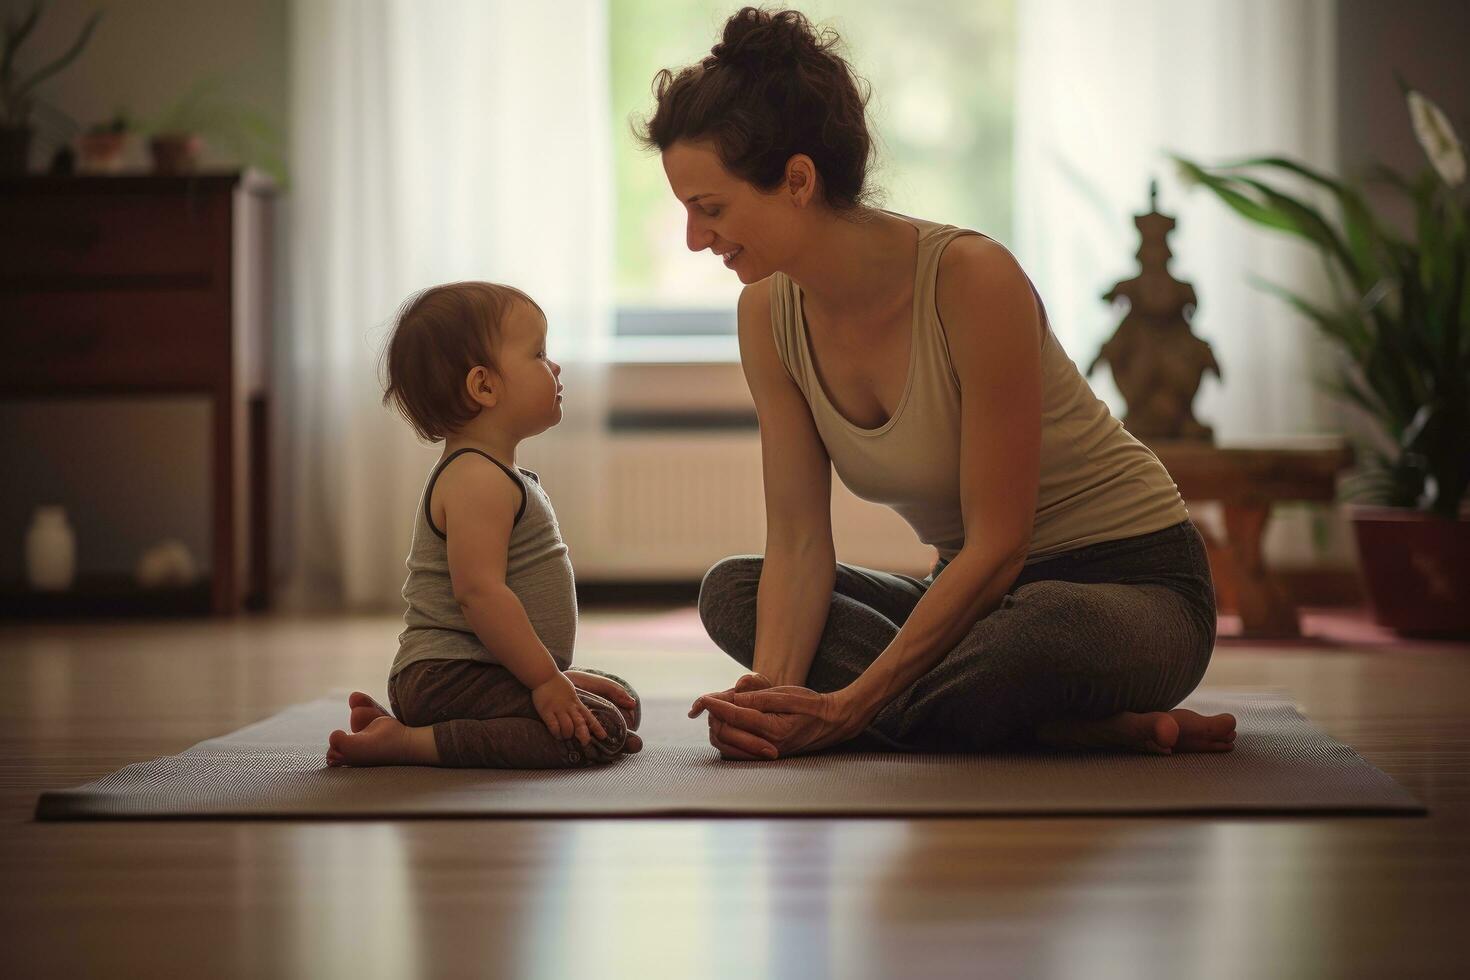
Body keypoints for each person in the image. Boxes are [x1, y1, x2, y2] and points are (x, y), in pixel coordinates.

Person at [638, 7, 1237, 760]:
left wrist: (850, 707)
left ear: (797, 180)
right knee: (734, 592)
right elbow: (795, 540)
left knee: (1026, 639)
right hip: (977, 607)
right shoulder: (765, 312)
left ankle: (961, 712)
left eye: (711, 208)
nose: (696, 237)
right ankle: (1064, 732)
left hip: (1130, 590)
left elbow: (998, 549)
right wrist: (777, 704)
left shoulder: (971, 280)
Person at [326, 281, 643, 768]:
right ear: (484, 386)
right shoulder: (477, 478)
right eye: (538, 354)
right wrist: (544, 682)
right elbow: (480, 594)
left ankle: (409, 726)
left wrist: (559, 678)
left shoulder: (491, 473)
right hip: (448, 677)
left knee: (620, 702)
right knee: (600, 733)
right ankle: (409, 744)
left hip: (476, 669)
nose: (554, 366)